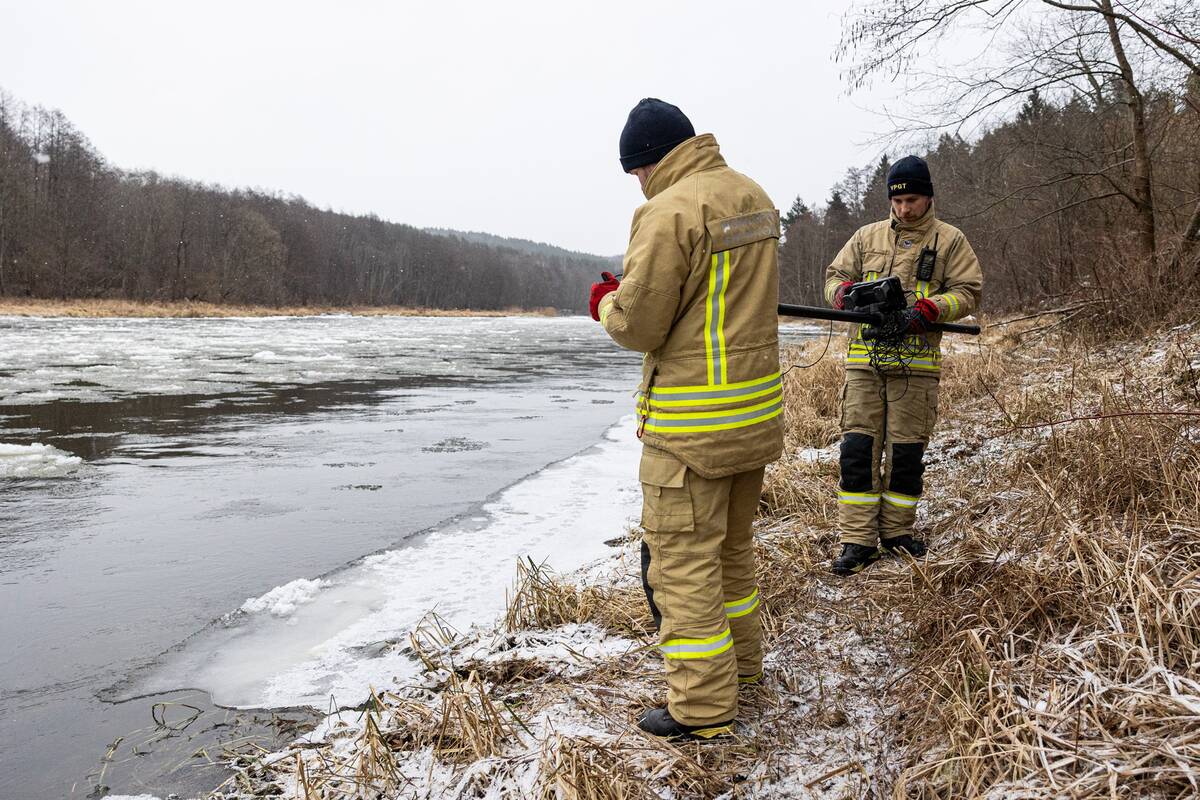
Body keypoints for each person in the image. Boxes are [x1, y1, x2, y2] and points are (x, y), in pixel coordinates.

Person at [589, 98, 783, 741]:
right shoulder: (752, 195)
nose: (637, 184)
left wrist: (606, 303)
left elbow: (641, 323)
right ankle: (745, 673)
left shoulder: (666, 211)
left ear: (651, 161)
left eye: (635, 171)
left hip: (691, 427)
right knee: (731, 553)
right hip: (751, 417)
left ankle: (702, 708)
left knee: (681, 565)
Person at [824, 155, 982, 576]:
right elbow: (834, 275)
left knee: (906, 454)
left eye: (912, 200)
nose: (904, 209)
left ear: (928, 197)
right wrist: (843, 295)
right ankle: (857, 542)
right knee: (857, 451)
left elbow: (969, 290)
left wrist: (932, 309)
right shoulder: (865, 236)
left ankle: (897, 535)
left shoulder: (950, 241)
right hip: (864, 365)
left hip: (917, 368)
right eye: (897, 202)